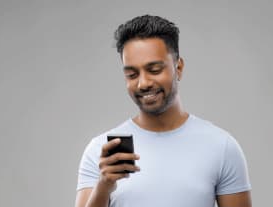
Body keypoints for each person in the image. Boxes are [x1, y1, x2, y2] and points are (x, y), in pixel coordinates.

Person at [75, 15, 252, 207]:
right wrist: (104, 185)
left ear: (179, 68)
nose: (143, 83)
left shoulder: (221, 146)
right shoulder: (101, 152)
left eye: (155, 70)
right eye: (132, 75)